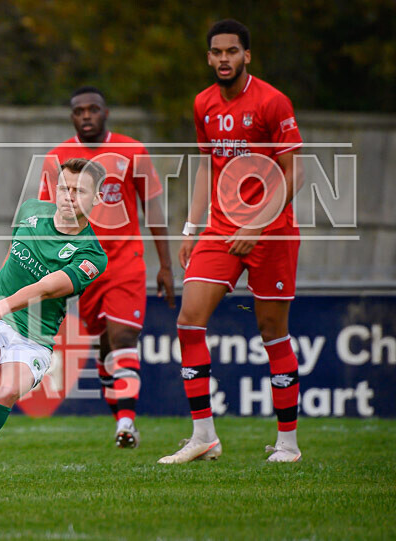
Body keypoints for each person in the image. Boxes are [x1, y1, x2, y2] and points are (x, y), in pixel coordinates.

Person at [158, 19, 304, 464]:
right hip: (221, 229)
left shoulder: (273, 101)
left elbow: (295, 171)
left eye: (232, 51)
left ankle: (288, 445)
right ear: (208, 58)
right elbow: (207, 166)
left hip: (271, 231)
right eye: (217, 52)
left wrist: (257, 224)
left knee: (272, 333)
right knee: (188, 320)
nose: (224, 59)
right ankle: (204, 437)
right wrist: (191, 228)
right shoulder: (203, 102)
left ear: (247, 56)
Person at [0, 158, 109, 490]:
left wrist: (3, 305)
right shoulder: (30, 210)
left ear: (97, 198)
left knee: (7, 390)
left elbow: (46, 287)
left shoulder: (92, 255)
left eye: (79, 191)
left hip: (34, 337)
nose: (69, 196)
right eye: (64, 188)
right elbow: (11, 256)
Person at [38, 87, 175, 448]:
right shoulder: (56, 158)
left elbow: (154, 210)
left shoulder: (132, 152)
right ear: (71, 116)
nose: (86, 115)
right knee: (103, 346)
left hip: (126, 261)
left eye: (93, 109)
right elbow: (45, 217)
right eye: (79, 110)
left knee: (123, 336)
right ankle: (122, 420)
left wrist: (165, 265)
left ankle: (126, 423)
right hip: (83, 265)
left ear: (106, 112)